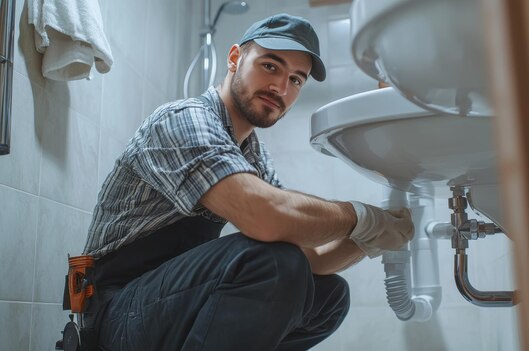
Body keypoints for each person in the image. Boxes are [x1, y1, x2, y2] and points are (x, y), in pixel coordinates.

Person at [81, 13, 414, 351]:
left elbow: (310, 257)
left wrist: (370, 239)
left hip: (166, 306)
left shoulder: (251, 154)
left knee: (328, 298)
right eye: (271, 66)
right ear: (235, 58)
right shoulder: (185, 120)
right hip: (114, 312)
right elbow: (269, 218)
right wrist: (360, 218)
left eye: (296, 79)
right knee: (269, 262)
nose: (281, 88)